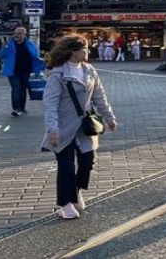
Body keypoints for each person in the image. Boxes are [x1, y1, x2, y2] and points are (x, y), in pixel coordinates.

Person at [41, 35, 117, 219]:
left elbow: (100, 96)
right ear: (73, 52)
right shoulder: (57, 75)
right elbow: (50, 104)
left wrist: (109, 118)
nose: (88, 52)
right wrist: (53, 129)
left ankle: (75, 192)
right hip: (63, 126)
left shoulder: (89, 70)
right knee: (66, 166)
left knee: (87, 162)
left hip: (85, 126)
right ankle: (65, 204)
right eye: (84, 48)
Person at [0, 27, 46, 117]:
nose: (17, 35)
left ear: (24, 35)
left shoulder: (30, 44)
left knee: (23, 89)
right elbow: (1, 56)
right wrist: (3, 47)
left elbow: (35, 57)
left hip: (26, 71)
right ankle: (16, 109)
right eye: (16, 33)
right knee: (16, 89)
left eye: (20, 33)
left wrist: (37, 71)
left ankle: (22, 108)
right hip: (13, 71)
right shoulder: (9, 44)